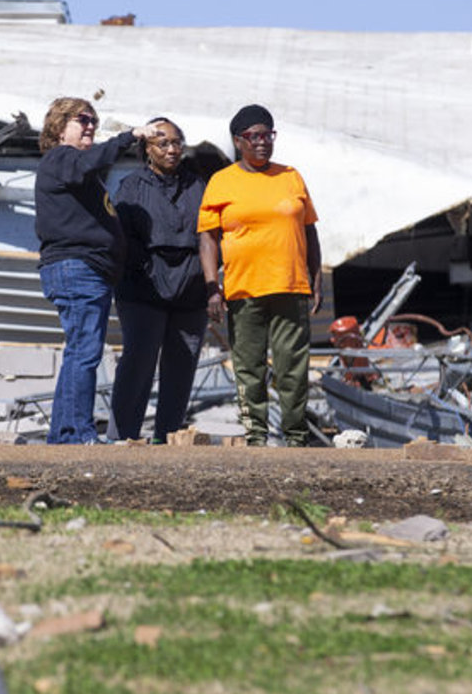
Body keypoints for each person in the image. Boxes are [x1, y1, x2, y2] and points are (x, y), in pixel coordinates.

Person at [198, 104, 322, 447]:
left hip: (290, 284)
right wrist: (212, 289)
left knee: (292, 368)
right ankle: (256, 436)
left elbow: (309, 230)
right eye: (254, 136)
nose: (262, 142)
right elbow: (208, 238)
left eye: (268, 135)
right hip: (243, 289)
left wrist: (316, 277)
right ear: (239, 142)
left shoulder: (291, 176)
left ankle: (296, 437)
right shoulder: (222, 182)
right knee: (249, 367)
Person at [34, 97, 156, 444]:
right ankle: (74, 433)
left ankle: (63, 433)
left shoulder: (72, 168)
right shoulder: (64, 157)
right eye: (81, 119)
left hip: (85, 270)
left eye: (93, 120)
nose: (90, 126)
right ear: (59, 128)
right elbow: (92, 160)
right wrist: (129, 136)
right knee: (85, 351)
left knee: (79, 350)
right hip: (77, 268)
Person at [108, 117, 208, 444]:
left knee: (181, 368)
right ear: (147, 149)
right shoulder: (131, 186)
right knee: (139, 362)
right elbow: (122, 238)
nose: (171, 149)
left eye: (177, 142)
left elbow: (208, 235)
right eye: (162, 143)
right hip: (143, 289)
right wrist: (150, 269)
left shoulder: (197, 186)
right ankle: (122, 437)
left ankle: (168, 440)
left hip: (190, 291)